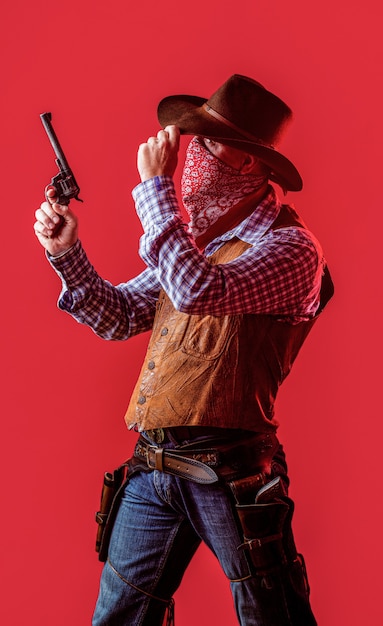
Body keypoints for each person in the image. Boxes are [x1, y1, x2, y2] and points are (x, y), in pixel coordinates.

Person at [34, 74, 333, 625]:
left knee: (274, 615)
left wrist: (154, 190)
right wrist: (66, 253)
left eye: (205, 141)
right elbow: (119, 315)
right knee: (119, 617)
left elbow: (200, 291)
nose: (189, 152)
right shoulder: (196, 244)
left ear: (247, 163)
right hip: (153, 466)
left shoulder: (292, 250)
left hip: (230, 473)